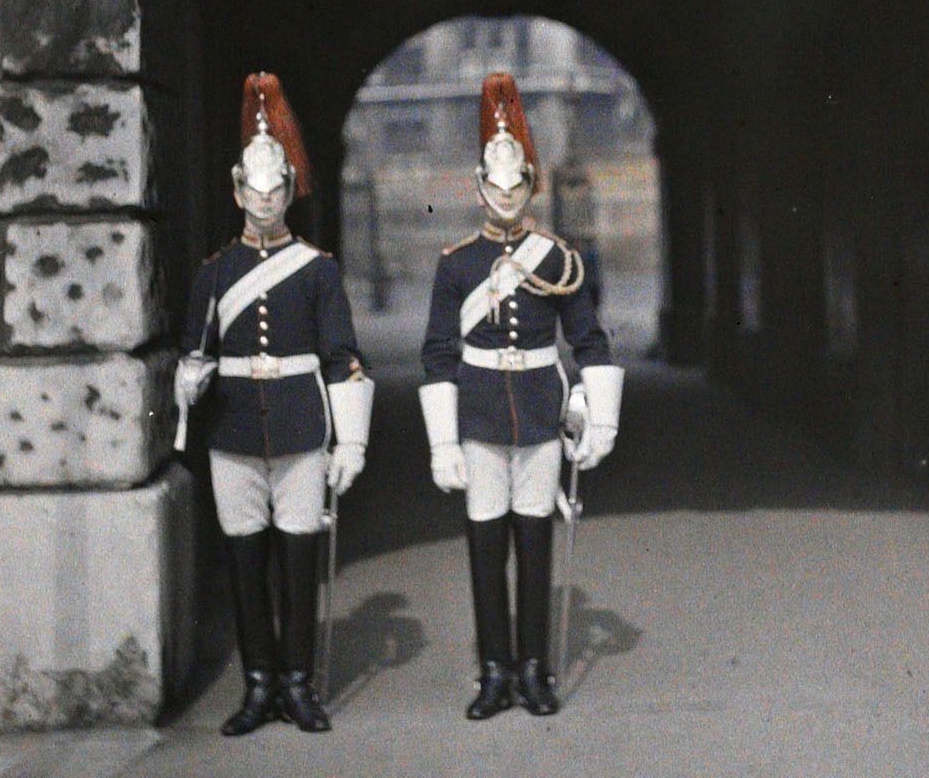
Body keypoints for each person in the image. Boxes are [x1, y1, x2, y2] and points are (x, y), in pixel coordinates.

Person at [418, 72, 623, 720]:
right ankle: (492, 672)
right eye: (494, 185)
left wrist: (598, 418)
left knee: (533, 545)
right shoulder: (456, 266)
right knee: (485, 549)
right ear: (479, 188)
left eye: (516, 185)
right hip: (479, 414)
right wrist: (443, 442)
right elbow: (438, 355)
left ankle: (533, 670)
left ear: (529, 187)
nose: (505, 196)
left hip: (537, 411)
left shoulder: (556, 259)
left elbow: (588, 341)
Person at [176, 73, 374, 736]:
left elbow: (341, 356)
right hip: (233, 430)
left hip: (298, 426)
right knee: (243, 565)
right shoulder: (215, 271)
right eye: (252, 191)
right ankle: (257, 683)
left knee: (297, 565)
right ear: (237, 192)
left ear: (289, 191)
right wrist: (189, 380)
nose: (263, 202)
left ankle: (298, 682)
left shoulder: (317, 270)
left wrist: (350, 442)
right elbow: (195, 348)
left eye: (275, 189)